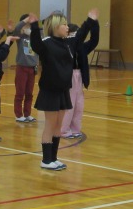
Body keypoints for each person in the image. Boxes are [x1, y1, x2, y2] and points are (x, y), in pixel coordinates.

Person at [24, 12, 74, 170]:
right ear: (55, 27)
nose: (67, 27)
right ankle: (46, 160)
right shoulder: (46, 43)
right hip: (50, 89)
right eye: (64, 24)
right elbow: (36, 45)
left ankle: (54, 158)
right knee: (50, 125)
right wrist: (34, 25)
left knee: (58, 125)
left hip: (63, 89)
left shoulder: (66, 43)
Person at [61, 10, 100, 139]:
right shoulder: (66, 44)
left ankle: (75, 129)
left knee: (79, 105)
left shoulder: (82, 47)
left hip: (79, 76)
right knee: (70, 104)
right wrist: (89, 21)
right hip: (69, 76)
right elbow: (78, 38)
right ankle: (64, 130)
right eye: (75, 34)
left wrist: (94, 23)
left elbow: (94, 40)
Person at [13, 14, 39, 123]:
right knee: (20, 93)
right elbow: (17, 28)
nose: (28, 27)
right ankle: (18, 115)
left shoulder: (35, 37)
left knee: (29, 93)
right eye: (26, 24)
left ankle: (27, 114)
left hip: (32, 68)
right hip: (22, 68)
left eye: (30, 25)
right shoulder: (20, 37)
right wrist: (25, 20)